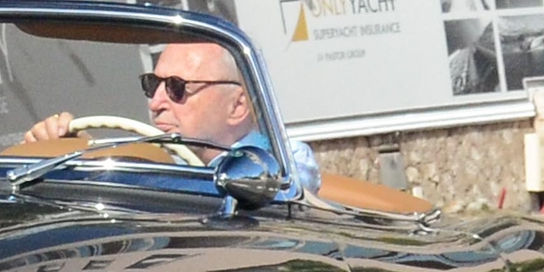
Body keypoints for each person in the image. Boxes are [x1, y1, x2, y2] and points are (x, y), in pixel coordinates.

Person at [23, 40, 322, 189]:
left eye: (176, 87)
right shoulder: (170, 164)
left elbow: (287, 184)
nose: (156, 102)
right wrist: (73, 157)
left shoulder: (284, 162)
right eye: (152, 85)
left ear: (237, 106)